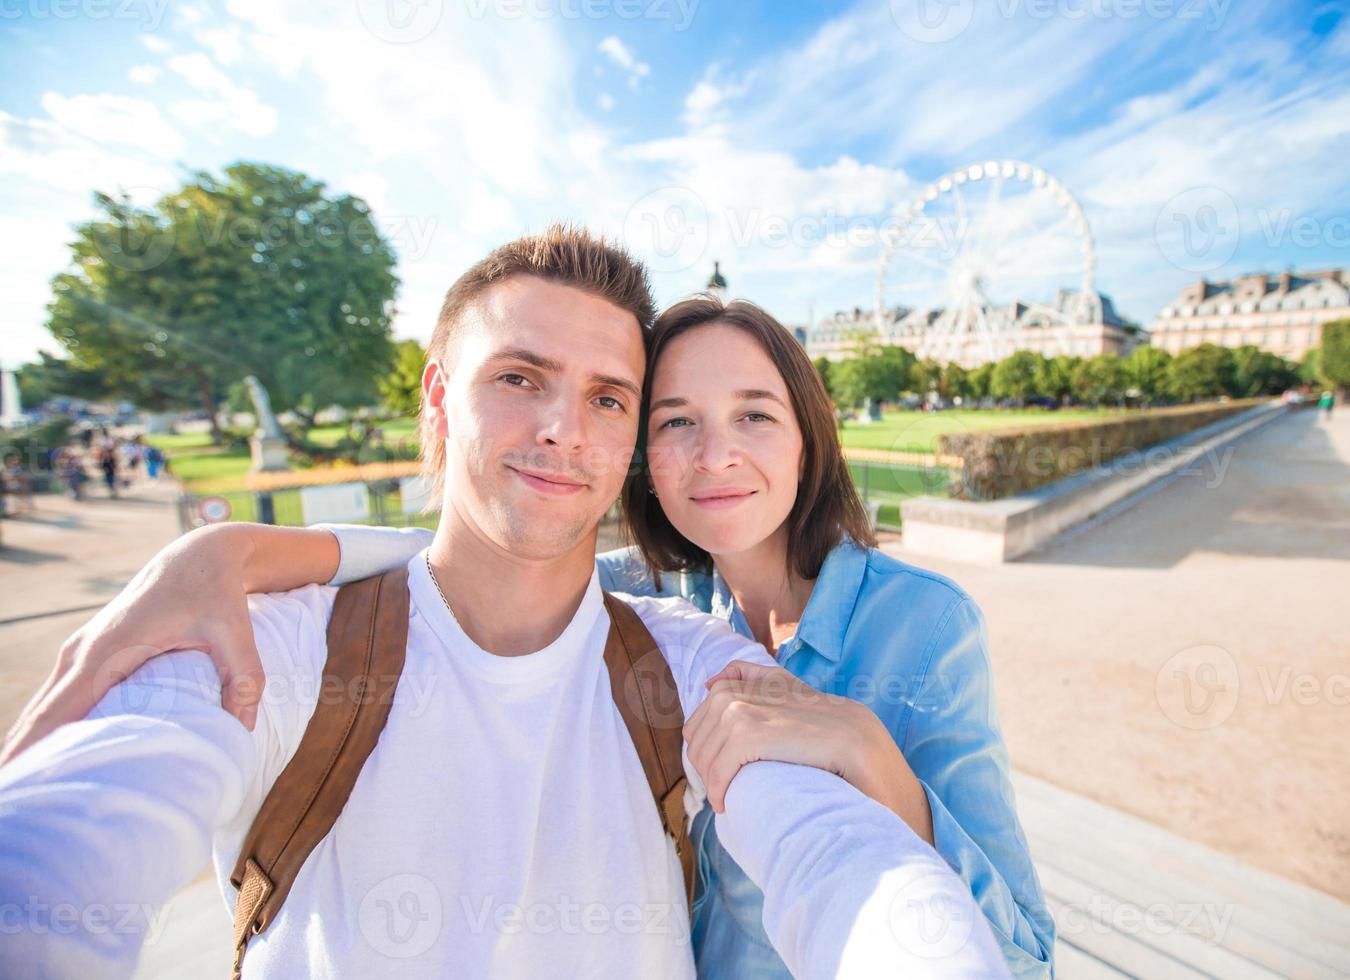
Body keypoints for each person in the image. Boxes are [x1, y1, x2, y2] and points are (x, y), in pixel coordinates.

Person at [0, 227, 1004, 979]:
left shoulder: (693, 653)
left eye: (609, 396)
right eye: (521, 377)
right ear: (436, 399)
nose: (567, 429)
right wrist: (234, 550)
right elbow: (60, 858)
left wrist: (877, 775)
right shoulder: (265, 646)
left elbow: (854, 867)